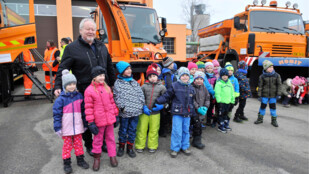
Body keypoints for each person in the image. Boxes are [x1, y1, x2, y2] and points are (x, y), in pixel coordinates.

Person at [54, 18, 116, 156]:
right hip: (84, 91)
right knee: (87, 119)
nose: (90, 31)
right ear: (81, 30)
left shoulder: (101, 46)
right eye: (87, 29)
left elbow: (109, 67)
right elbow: (62, 68)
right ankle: (89, 145)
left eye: (93, 29)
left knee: (104, 118)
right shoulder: (72, 48)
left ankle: (103, 143)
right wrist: (58, 85)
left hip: (103, 90)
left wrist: (112, 84)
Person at [53, 69, 89, 174]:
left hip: (78, 126)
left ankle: (80, 160)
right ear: (65, 86)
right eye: (69, 85)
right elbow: (57, 114)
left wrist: (85, 124)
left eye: (73, 84)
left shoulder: (79, 96)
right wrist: (58, 127)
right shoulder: (61, 99)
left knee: (78, 144)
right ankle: (67, 163)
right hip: (66, 127)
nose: (72, 86)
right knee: (67, 146)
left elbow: (83, 111)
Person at [156, 67, 196, 158]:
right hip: (177, 113)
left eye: (187, 75)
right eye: (183, 75)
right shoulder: (175, 86)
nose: (185, 77)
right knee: (176, 131)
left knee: (186, 130)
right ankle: (175, 148)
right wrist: (158, 101)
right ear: (179, 76)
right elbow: (167, 96)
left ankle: (185, 146)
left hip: (187, 113)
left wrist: (193, 112)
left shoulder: (191, 88)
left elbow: (192, 101)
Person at [84, 66, 118, 171]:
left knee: (111, 139)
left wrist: (116, 115)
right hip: (98, 121)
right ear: (94, 77)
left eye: (103, 75)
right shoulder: (89, 90)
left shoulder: (107, 88)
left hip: (109, 120)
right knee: (97, 140)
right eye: (99, 75)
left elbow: (112, 103)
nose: (102, 77)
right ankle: (97, 159)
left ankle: (112, 156)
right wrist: (91, 122)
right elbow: (88, 108)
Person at [113, 61, 144, 158]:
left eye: (130, 68)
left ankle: (130, 147)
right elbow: (116, 96)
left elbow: (140, 94)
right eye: (127, 69)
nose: (129, 70)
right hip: (125, 112)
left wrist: (141, 104)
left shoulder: (134, 82)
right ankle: (121, 147)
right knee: (123, 130)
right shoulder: (118, 83)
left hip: (135, 111)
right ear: (122, 71)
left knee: (132, 130)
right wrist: (122, 107)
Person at [135, 63, 166, 153]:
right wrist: (143, 106)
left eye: (154, 76)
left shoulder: (162, 87)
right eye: (150, 76)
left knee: (154, 130)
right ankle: (139, 145)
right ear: (147, 77)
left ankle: (152, 146)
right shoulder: (143, 87)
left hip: (155, 113)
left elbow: (166, 99)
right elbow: (140, 98)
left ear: (157, 76)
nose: (152, 78)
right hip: (144, 112)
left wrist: (162, 106)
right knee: (141, 129)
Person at [254, 60, 282, 127]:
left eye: (272, 67)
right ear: (265, 68)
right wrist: (259, 95)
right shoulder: (262, 76)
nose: (271, 68)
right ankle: (260, 119)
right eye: (269, 67)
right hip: (264, 95)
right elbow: (260, 86)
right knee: (262, 107)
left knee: (273, 108)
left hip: (273, 96)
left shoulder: (277, 75)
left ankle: (274, 120)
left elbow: (279, 85)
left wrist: (278, 94)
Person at [192, 71, 210, 149]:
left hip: (201, 111)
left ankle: (196, 141)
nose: (199, 80)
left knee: (198, 126)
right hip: (194, 111)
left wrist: (206, 106)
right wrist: (197, 107)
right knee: (193, 125)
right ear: (194, 80)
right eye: (197, 79)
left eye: (201, 79)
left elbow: (207, 98)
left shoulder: (204, 88)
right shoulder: (191, 88)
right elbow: (191, 100)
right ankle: (192, 140)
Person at [160, 57, 177, 137]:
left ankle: (166, 128)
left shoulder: (169, 72)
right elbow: (170, 85)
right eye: (172, 63)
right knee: (167, 112)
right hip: (169, 95)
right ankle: (166, 129)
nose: (173, 64)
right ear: (169, 65)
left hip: (169, 94)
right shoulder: (168, 73)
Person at [215, 68, 235, 133]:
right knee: (221, 114)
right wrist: (219, 101)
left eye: (226, 75)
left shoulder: (229, 83)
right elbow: (217, 93)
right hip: (222, 102)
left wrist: (232, 101)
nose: (225, 77)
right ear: (221, 76)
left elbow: (232, 93)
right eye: (223, 75)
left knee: (226, 114)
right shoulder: (219, 83)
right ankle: (221, 125)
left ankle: (226, 124)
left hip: (228, 102)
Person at [204, 62, 217, 127]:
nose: (209, 69)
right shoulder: (204, 76)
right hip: (206, 94)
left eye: (211, 68)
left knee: (211, 107)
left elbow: (216, 86)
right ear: (205, 69)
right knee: (206, 106)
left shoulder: (214, 77)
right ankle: (205, 119)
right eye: (208, 68)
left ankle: (209, 120)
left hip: (212, 94)